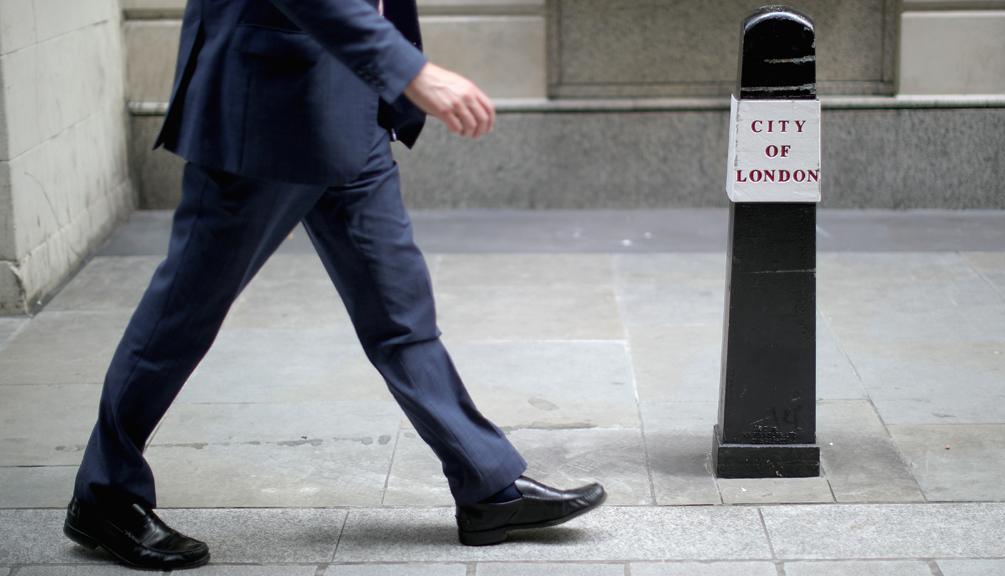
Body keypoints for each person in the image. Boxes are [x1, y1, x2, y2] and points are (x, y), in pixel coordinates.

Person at [62, 0, 606, 570]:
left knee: (401, 310)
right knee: (184, 313)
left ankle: (487, 485)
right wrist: (413, 70)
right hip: (264, 101)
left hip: (351, 105)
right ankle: (104, 494)